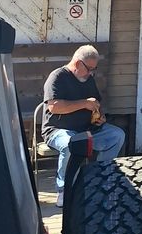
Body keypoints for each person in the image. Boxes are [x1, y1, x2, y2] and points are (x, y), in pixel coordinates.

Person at [42, 44, 125, 207]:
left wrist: (99, 117)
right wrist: (83, 104)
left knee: (117, 135)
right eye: (89, 69)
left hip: (87, 128)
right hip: (58, 130)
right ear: (78, 63)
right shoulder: (57, 77)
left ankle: (101, 180)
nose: (91, 73)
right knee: (71, 144)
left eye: (94, 69)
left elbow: (96, 103)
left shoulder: (88, 80)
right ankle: (63, 190)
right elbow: (54, 106)